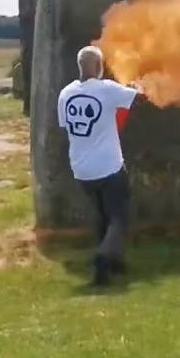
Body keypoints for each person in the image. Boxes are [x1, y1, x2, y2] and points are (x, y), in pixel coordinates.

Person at [57, 45, 143, 286]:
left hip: (81, 169)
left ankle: (113, 263)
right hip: (109, 167)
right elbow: (139, 97)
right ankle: (103, 259)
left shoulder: (66, 93)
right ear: (98, 67)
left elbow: (66, 127)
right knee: (119, 217)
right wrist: (139, 83)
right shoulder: (107, 89)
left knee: (103, 216)